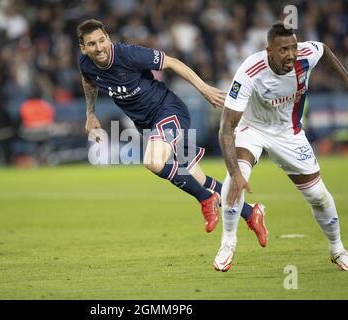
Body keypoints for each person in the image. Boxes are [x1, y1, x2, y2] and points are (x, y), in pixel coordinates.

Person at [76, 19, 268, 243]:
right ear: (83, 48)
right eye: (92, 44)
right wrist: (90, 113)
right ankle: (251, 212)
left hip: (168, 111)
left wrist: (204, 89)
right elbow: (89, 82)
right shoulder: (85, 64)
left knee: (153, 161)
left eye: (102, 40)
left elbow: (172, 62)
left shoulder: (128, 54)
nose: (99, 47)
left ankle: (207, 200)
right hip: (149, 124)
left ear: (108, 38)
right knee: (197, 177)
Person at [214, 22, 348, 272]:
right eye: (283, 49)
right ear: (269, 51)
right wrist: (235, 173)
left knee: (318, 196)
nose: (291, 54)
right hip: (253, 129)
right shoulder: (250, 70)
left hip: (289, 133)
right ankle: (227, 244)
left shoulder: (306, 54)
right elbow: (226, 128)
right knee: (235, 179)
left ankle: (337, 249)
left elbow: (325, 50)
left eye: (293, 47)